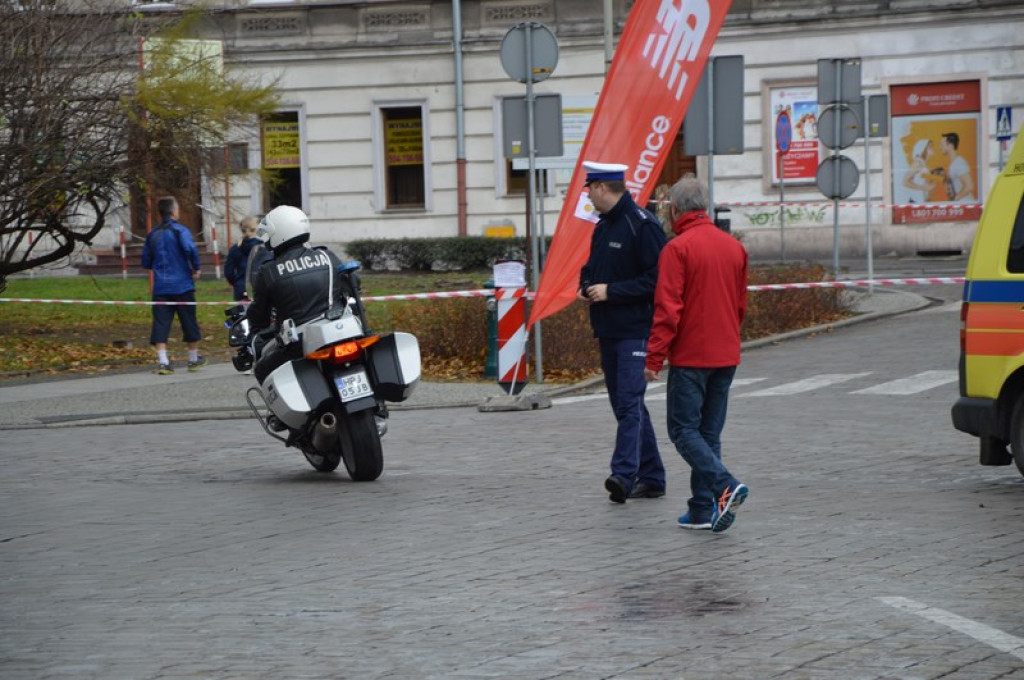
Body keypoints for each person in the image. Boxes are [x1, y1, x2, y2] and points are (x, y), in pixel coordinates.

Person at [644, 174, 749, 534]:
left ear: (674, 209)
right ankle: (703, 509)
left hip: (692, 355)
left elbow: (668, 308)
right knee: (709, 432)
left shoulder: (677, 249)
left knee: (682, 430)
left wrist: (654, 357)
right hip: (726, 352)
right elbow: (740, 306)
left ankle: (724, 484)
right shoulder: (733, 247)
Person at [578, 160, 668, 504]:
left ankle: (623, 474)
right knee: (625, 405)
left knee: (630, 402)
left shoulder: (642, 226)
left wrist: (612, 292)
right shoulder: (602, 227)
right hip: (608, 329)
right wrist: (586, 287)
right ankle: (654, 476)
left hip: (635, 330)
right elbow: (590, 269)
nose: (587, 196)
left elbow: (658, 279)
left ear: (602, 188)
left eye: (589, 189)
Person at [246, 205, 346, 384]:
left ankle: (299, 411)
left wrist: (256, 330)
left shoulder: (268, 271)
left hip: (299, 342)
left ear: (280, 233)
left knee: (261, 369)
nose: (267, 242)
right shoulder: (327, 256)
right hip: (339, 330)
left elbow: (259, 314)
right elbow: (354, 284)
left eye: (269, 235)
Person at [141, 196, 206, 375]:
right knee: (189, 321)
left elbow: (146, 261)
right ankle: (193, 358)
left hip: (161, 287)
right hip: (183, 286)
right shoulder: (181, 231)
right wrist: (196, 268)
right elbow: (190, 249)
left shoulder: (153, 234)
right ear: (173, 211)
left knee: (161, 323)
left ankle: (163, 361)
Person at [224, 215, 263, 301]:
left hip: (241, 289)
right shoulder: (264, 248)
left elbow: (228, 272)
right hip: (261, 289)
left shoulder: (234, 249)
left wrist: (237, 283)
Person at [939, 132, 976, 203]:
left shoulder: (959, 163)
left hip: (965, 204)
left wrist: (955, 199)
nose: (940, 147)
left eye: (942, 144)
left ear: (950, 145)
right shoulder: (954, 164)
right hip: (961, 205)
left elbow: (969, 186)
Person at [901, 138, 937, 203]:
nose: (933, 148)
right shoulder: (918, 162)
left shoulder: (923, 164)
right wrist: (922, 187)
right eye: (930, 146)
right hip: (915, 201)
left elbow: (923, 183)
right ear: (923, 149)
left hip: (921, 201)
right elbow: (904, 182)